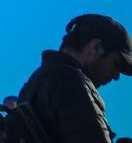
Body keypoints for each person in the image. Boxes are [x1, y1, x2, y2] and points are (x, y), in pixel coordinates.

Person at [11, 14, 132, 143]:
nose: (116, 76)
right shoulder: (71, 81)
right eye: (116, 64)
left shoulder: (34, 84)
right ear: (95, 47)